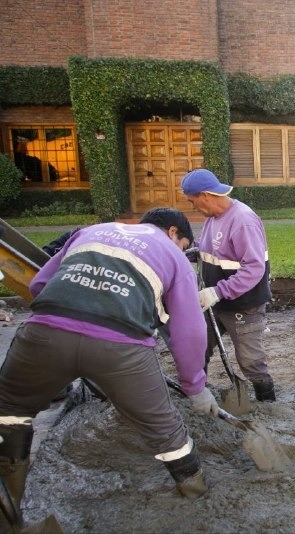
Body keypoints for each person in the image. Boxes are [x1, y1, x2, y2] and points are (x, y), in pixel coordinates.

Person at [0, 208, 217, 525]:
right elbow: (189, 332)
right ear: (174, 234)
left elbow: (39, 285)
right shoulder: (173, 255)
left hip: (44, 334)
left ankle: (11, 514)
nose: (184, 250)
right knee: (165, 428)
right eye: (185, 244)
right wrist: (196, 387)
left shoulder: (90, 232)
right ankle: (198, 497)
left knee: (10, 408)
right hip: (121, 349)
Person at [180, 169, 276, 402]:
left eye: (193, 202)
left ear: (205, 195)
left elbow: (254, 268)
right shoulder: (213, 217)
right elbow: (213, 251)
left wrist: (218, 291)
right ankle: (194, 395)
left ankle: (267, 403)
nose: (194, 207)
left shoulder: (243, 221)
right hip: (216, 302)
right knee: (197, 346)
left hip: (243, 305)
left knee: (250, 361)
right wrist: (188, 253)